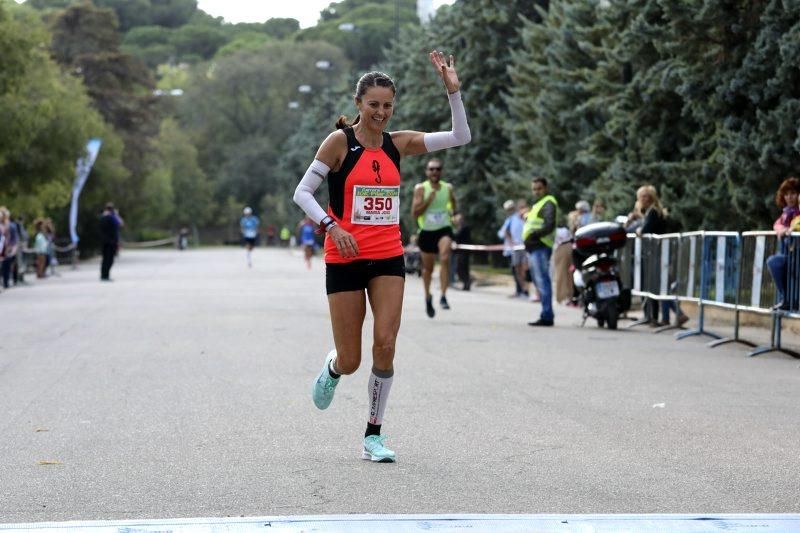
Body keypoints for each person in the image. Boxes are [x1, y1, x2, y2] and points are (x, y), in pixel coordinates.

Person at [292, 51, 470, 462]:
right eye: (373, 104)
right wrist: (331, 226)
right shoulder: (340, 143)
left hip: (388, 256)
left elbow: (461, 137)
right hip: (344, 256)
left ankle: (373, 434)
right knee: (353, 359)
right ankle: (334, 368)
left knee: (386, 344)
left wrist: (453, 92)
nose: (381, 112)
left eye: (388, 105)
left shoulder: (398, 145)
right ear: (359, 104)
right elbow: (302, 193)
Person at [412, 158, 457, 317]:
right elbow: (415, 213)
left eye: (437, 169)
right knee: (428, 269)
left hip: (444, 228)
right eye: (431, 169)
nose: (434, 172)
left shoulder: (447, 188)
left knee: (445, 258)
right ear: (426, 172)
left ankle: (444, 295)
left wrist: (453, 214)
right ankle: (428, 296)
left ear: (441, 171)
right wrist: (428, 201)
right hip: (427, 231)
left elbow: (453, 204)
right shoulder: (421, 189)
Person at [523, 177, 559, 326]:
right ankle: (546, 313)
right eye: (534, 189)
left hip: (540, 246)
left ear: (545, 188)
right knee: (539, 281)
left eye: (539, 188)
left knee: (543, 281)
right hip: (534, 247)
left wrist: (533, 235)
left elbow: (549, 225)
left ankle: (547, 315)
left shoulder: (548, 202)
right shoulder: (538, 204)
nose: (537, 191)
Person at [766, 176, 800, 311]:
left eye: (793, 193)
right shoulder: (786, 213)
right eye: (786, 194)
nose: (789, 197)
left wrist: (793, 229)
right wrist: (782, 229)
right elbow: (777, 224)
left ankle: (794, 300)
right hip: (789, 254)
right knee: (774, 262)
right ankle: (787, 299)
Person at [498, 199, 529, 299]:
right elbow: (502, 233)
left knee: (524, 270)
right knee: (516, 270)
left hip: (524, 248)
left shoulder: (526, 219)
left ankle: (524, 290)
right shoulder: (511, 219)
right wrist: (511, 242)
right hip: (513, 249)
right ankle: (519, 290)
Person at [99, 203, 120, 281]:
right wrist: (116, 215)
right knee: (109, 259)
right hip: (111, 242)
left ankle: (103, 275)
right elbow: (119, 223)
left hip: (103, 241)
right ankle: (106, 276)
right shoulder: (112, 217)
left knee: (104, 259)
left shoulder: (101, 217)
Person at [452, 212, 471, 290]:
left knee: (463, 268)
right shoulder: (458, 227)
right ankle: (466, 283)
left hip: (464, 251)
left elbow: (457, 235)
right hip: (459, 251)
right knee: (459, 268)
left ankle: (467, 283)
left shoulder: (465, 227)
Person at [0, 207, 18, 289]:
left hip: (7, 248)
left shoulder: (11, 225)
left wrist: (13, 249)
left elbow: (14, 239)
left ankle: (5, 282)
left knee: (6, 266)